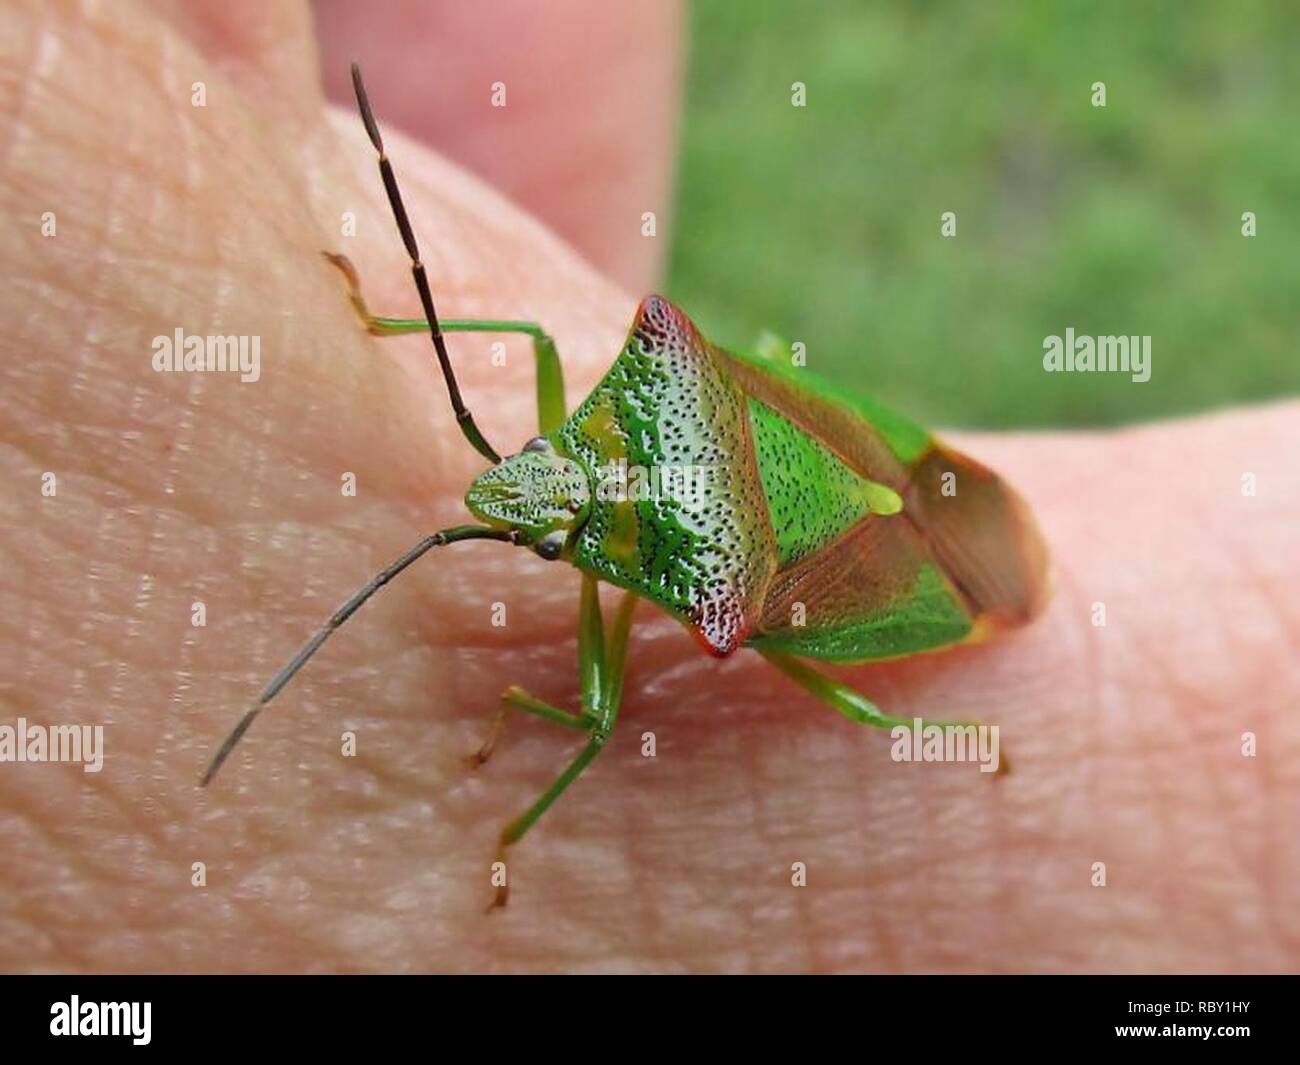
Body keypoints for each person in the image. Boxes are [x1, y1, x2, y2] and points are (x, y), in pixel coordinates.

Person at [1, 0, 1294, 973]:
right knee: (765, 400)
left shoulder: (659, 581)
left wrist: (509, 805)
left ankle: (958, 723)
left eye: (549, 506)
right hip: (856, 459)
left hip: (886, 569)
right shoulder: (623, 434)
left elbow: (591, 721)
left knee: (830, 713)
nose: (521, 488)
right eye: (543, 501)